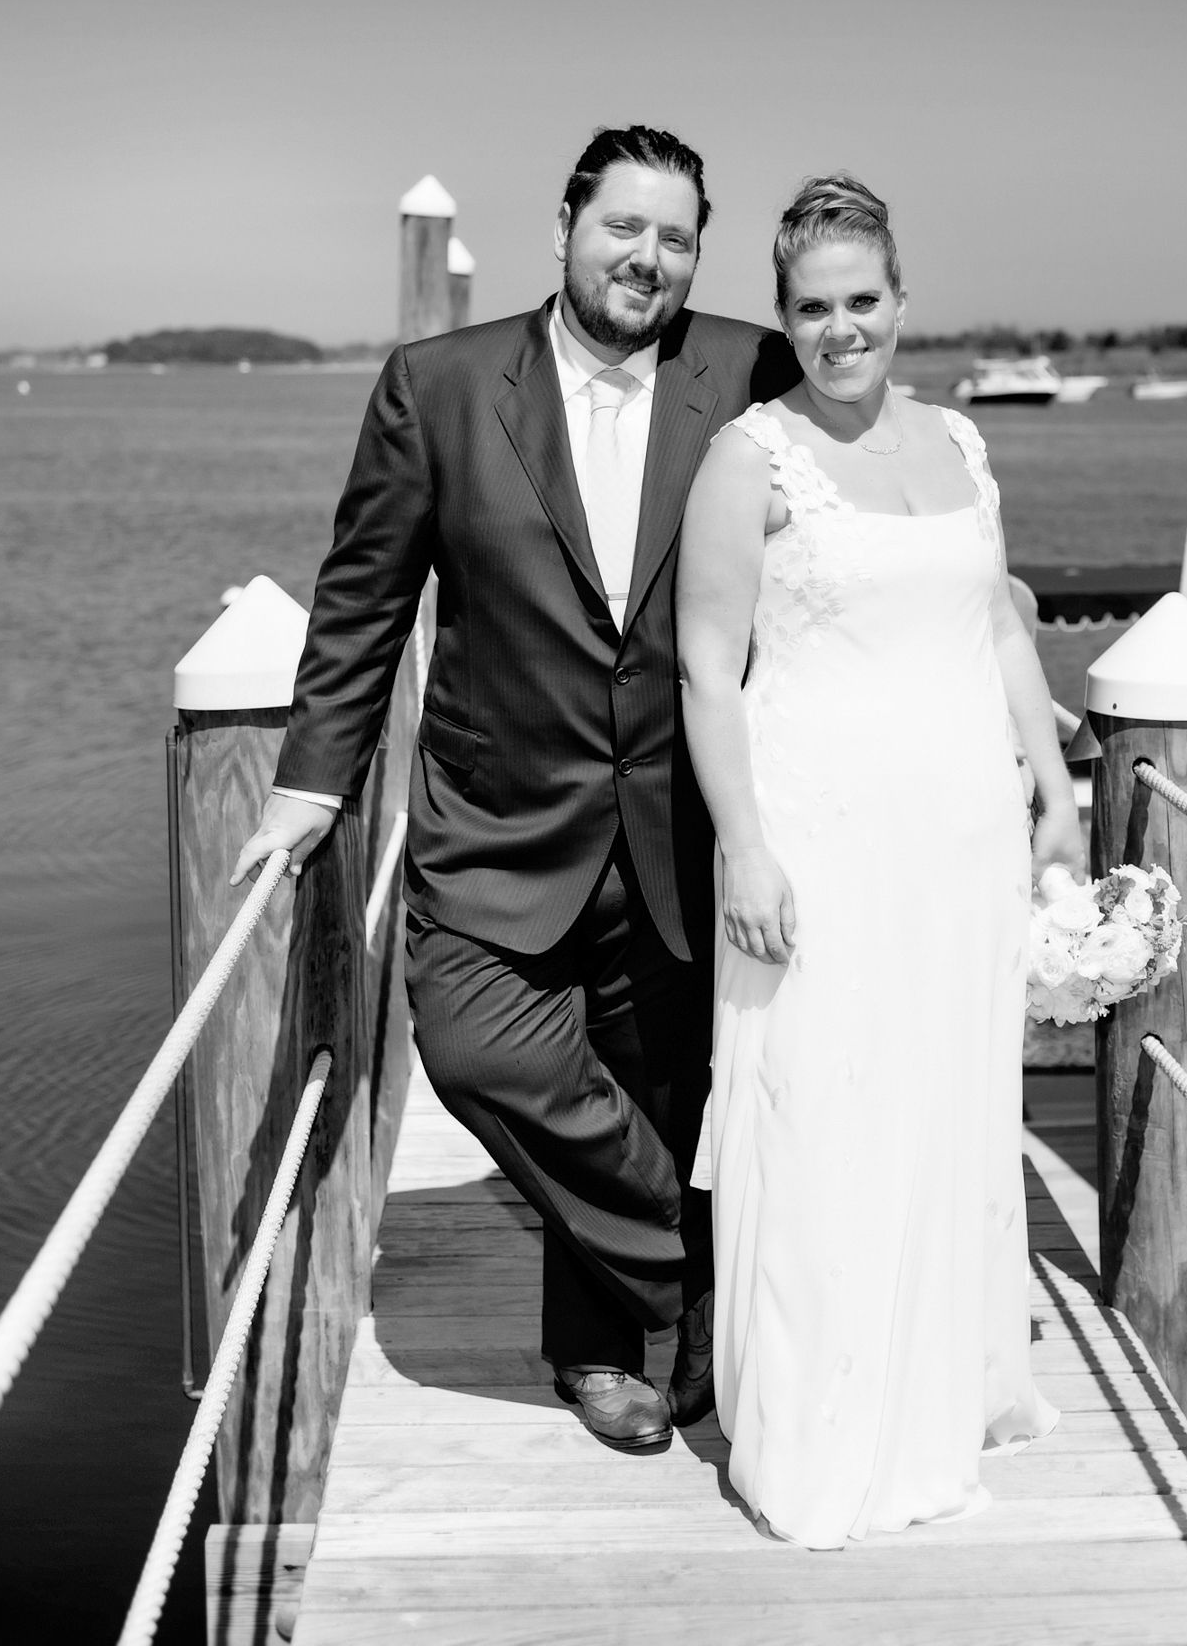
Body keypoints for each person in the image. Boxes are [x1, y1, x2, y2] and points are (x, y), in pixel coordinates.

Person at [228, 126, 798, 1451]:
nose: (646, 257)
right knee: (484, 1051)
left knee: (655, 1085)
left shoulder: (750, 371)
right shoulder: (439, 384)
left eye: (675, 236)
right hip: (497, 821)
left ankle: (600, 1357)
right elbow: (364, 603)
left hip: (684, 821)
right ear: (563, 228)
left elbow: (827, 546)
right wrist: (314, 784)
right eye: (623, 227)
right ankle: (711, 1269)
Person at [676, 174, 1078, 1546]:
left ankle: (942, 1382)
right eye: (812, 309)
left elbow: (1002, 631)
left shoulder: (963, 444)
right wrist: (746, 849)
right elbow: (704, 672)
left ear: (902, 302)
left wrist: (1055, 790)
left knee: (948, 1108)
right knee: (828, 1119)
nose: (841, 329)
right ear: (783, 319)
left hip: (961, 842)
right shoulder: (751, 456)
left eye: (863, 302)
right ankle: (824, 1432)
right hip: (820, 843)